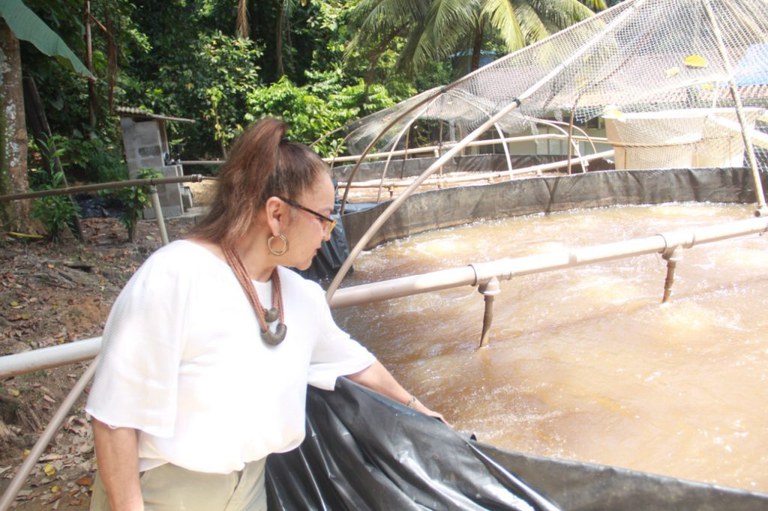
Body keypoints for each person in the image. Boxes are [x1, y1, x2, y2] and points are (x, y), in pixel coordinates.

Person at [85, 117, 445, 511]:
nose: (330, 232)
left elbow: (354, 362)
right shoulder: (175, 276)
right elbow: (114, 417)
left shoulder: (301, 296)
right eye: (324, 217)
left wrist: (420, 411)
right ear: (276, 214)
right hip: (164, 495)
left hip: (252, 492)